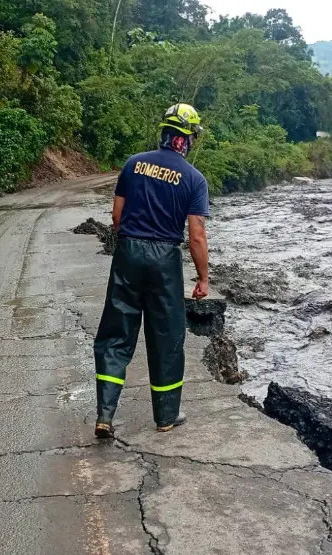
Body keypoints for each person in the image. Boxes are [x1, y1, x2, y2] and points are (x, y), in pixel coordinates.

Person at [93, 103, 210, 438]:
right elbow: (196, 235)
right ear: (187, 138)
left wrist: (130, 247)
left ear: (164, 131)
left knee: (116, 333)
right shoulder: (193, 179)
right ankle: (166, 416)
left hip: (129, 252)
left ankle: (105, 414)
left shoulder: (133, 164)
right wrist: (202, 278)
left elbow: (117, 216)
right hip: (165, 261)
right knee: (167, 337)